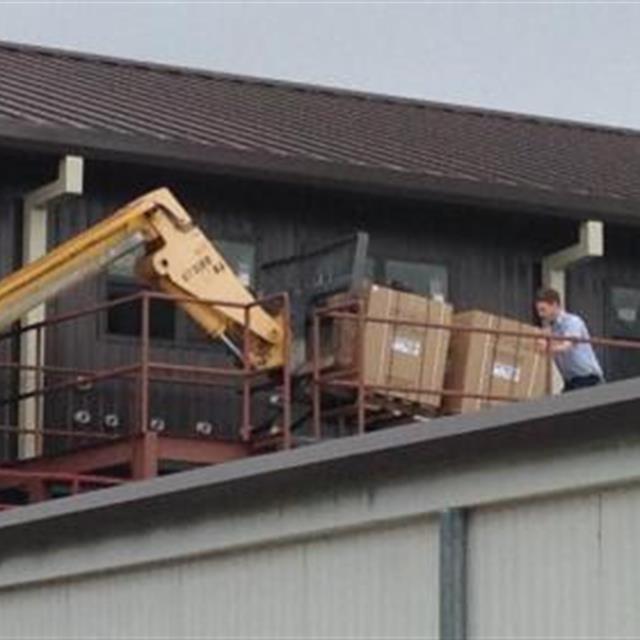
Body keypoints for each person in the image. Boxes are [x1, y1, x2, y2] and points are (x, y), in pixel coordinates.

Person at [534, 287, 604, 392]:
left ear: (554, 305)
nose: (540, 314)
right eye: (539, 310)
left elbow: (567, 346)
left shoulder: (573, 322)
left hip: (587, 379)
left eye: (543, 309)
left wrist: (547, 347)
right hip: (571, 381)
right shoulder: (550, 328)